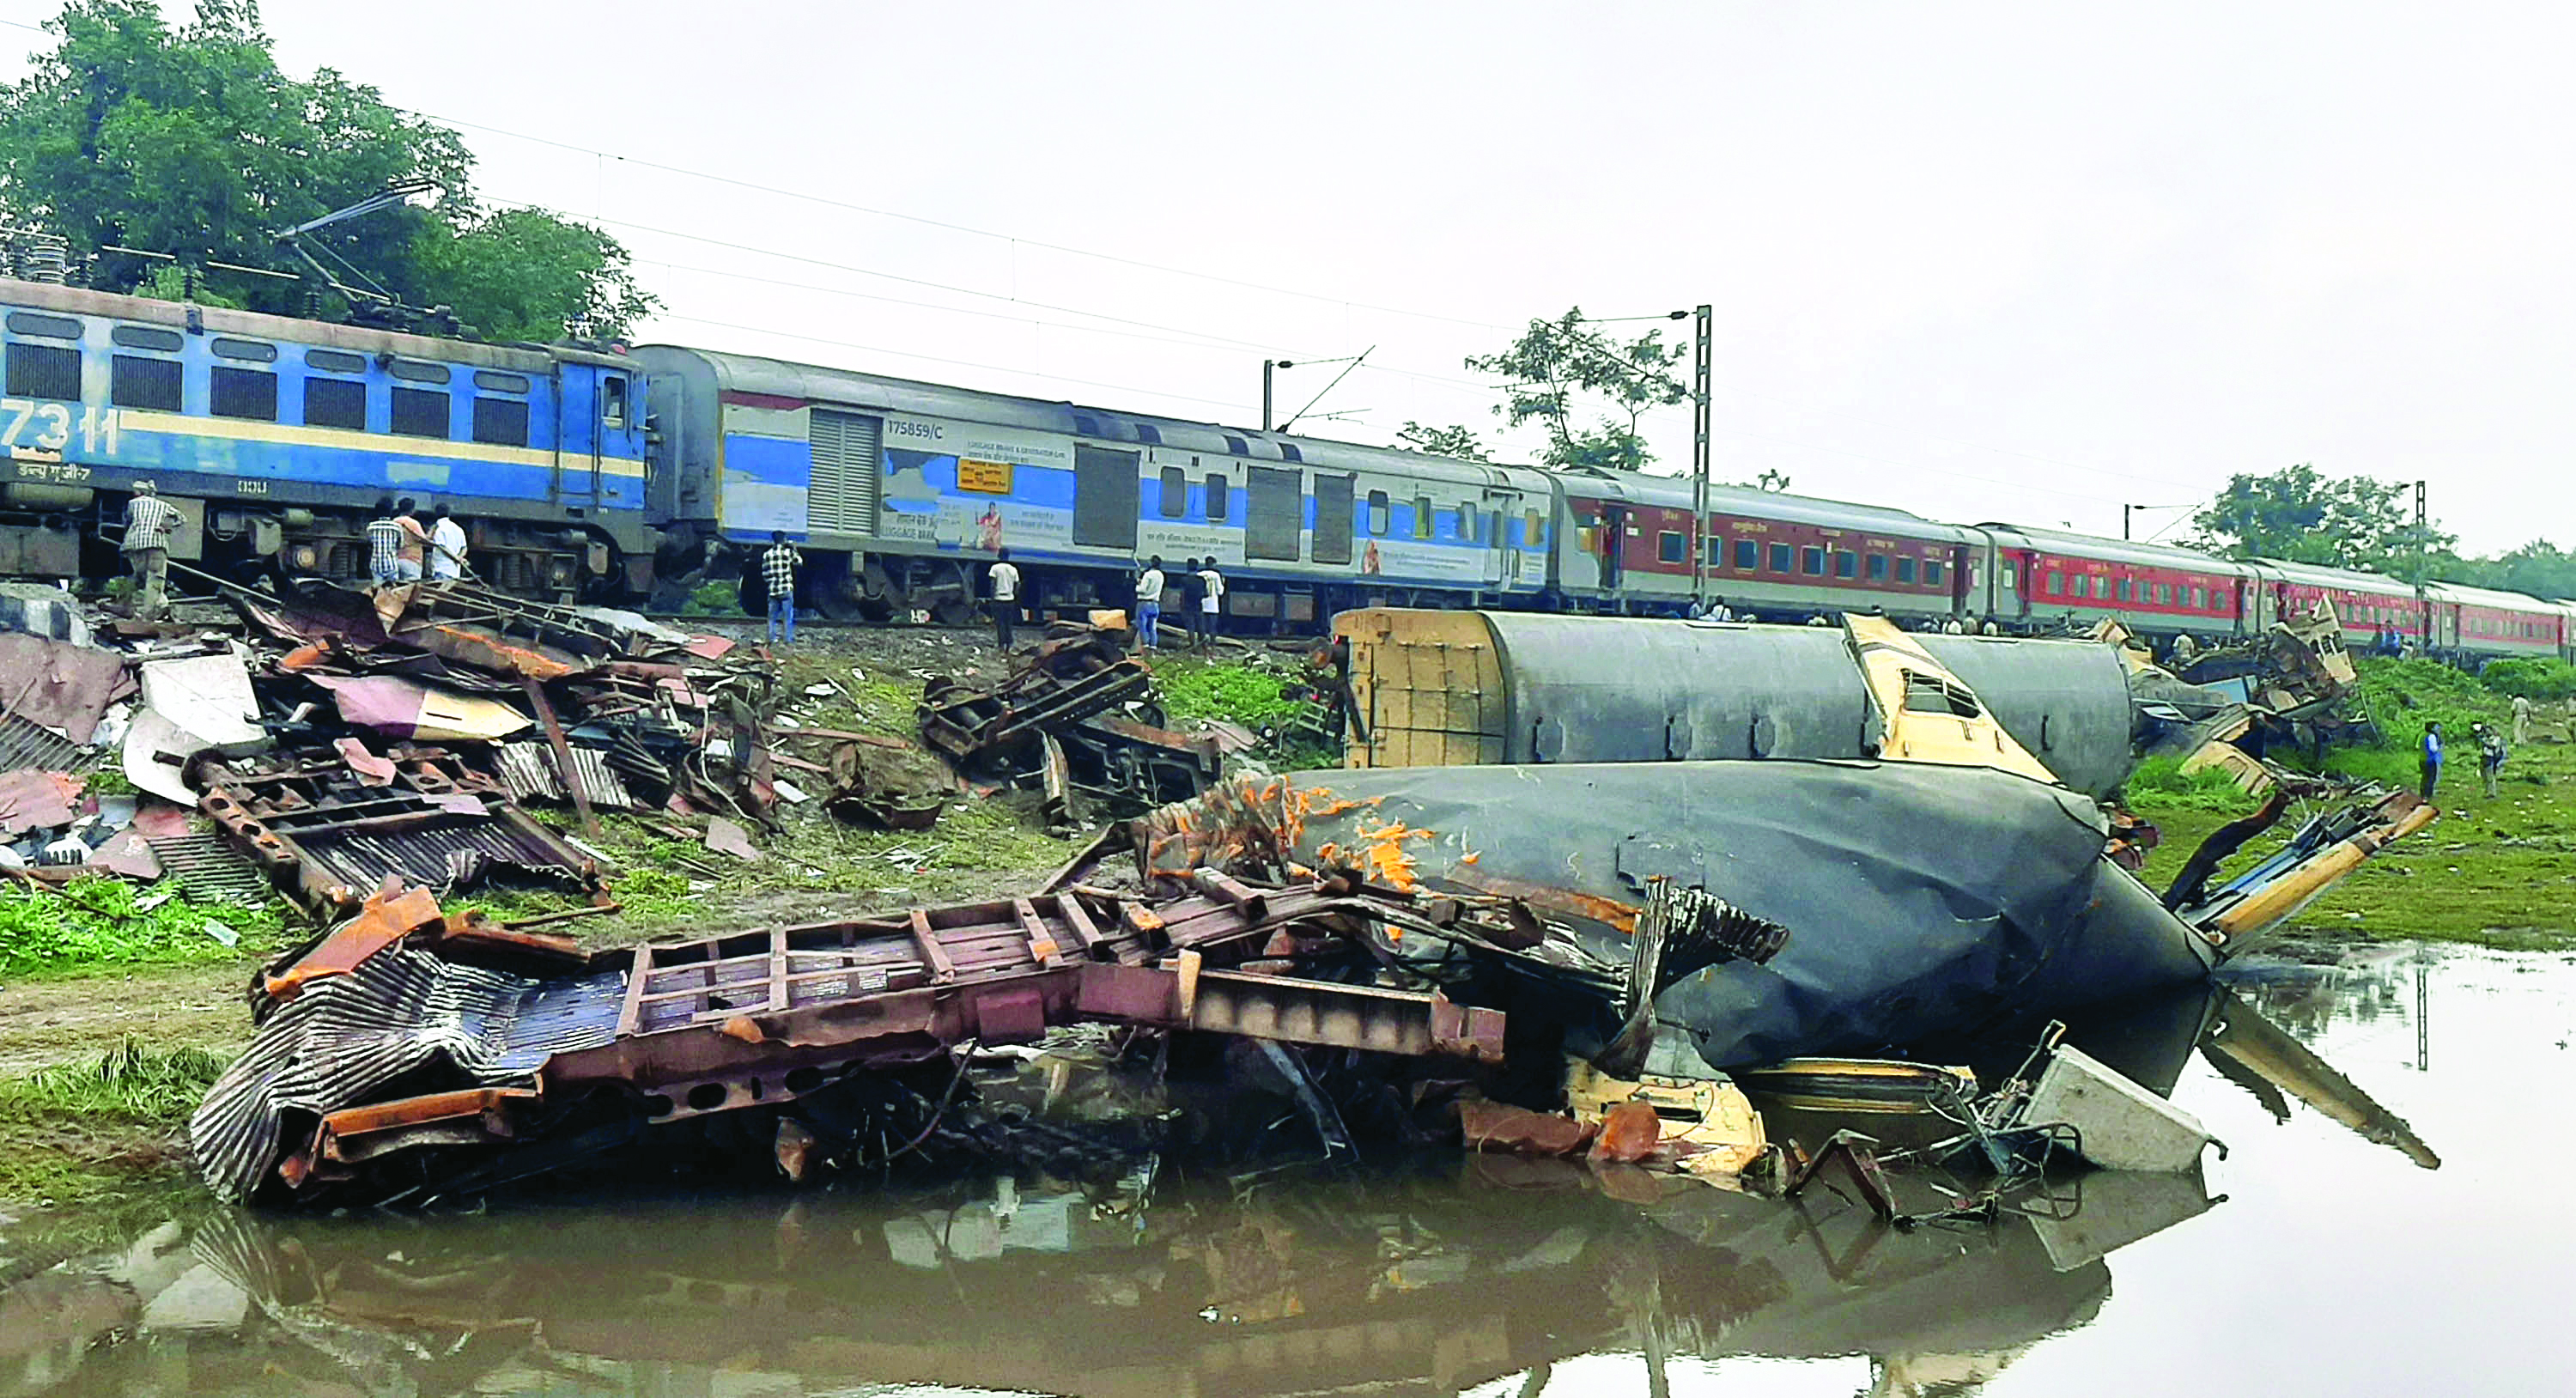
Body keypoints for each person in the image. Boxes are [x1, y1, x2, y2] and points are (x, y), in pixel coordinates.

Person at [120, 482, 179, 620]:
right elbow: (181, 518)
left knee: (140, 577)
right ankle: (149, 615)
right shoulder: (163, 505)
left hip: (136, 544)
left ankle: (128, 602)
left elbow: (128, 521)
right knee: (155, 579)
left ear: (137, 492)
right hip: (157, 544)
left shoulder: (133, 504)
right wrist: (166, 527)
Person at [761, 530, 801, 645]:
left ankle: (771, 639)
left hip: (773, 590)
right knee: (788, 616)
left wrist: (771, 583)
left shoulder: (767, 554)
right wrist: (794, 548)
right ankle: (788, 639)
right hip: (786, 589)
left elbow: (765, 574)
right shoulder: (788, 553)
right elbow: (799, 562)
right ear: (783, 540)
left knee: (771, 617)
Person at [365, 497, 407, 587]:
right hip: (391, 564)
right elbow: (401, 545)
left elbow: (370, 543)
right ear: (391, 511)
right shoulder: (396, 527)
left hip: (376, 564)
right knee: (393, 591)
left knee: (378, 591)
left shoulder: (371, 527)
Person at [987, 548, 1021, 651]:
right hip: (1010, 599)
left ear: (999, 555)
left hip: (999, 599)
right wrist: (1014, 595)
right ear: (1008, 556)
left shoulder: (995, 568)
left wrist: (992, 598)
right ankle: (1009, 644)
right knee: (1008, 623)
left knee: (1000, 623)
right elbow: (1018, 584)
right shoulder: (1013, 569)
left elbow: (992, 585)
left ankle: (1001, 644)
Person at [427, 503, 468, 582]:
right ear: (449, 514)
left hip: (442, 569)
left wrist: (456, 558)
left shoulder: (439, 528)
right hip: (455, 572)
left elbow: (443, 548)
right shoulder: (459, 529)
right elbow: (464, 548)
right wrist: (459, 557)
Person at [391, 497, 427, 581]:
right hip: (412, 560)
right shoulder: (413, 524)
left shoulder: (394, 522)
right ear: (412, 510)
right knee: (411, 589)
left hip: (396, 559)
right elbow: (423, 540)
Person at [1135, 555, 1165, 648]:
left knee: (1143, 626)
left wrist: (1137, 585)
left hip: (1144, 602)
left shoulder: (1148, 575)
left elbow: (1143, 589)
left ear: (1151, 563)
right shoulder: (1161, 575)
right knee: (1152, 627)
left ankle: (1145, 645)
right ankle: (1153, 646)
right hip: (1155, 604)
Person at [1194, 557, 1224, 649]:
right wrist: (1223, 583)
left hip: (1201, 604)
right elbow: (1220, 592)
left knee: (1201, 627)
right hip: (1213, 605)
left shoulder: (1199, 574)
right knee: (1212, 627)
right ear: (1214, 564)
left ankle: (1202, 646)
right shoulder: (1216, 575)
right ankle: (1212, 645)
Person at [2476, 722, 2506, 799]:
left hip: (2491, 758)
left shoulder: (2496, 738)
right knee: (2484, 775)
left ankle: (2492, 793)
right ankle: (2487, 791)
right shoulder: (2486, 737)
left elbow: (2492, 745)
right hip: (2484, 757)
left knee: (2490, 776)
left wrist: (2483, 739)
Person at [2419, 721, 2444, 802]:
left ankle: (2423, 794)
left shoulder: (2422, 735)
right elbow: (2433, 749)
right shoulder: (2432, 736)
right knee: (2431, 778)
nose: (2438, 729)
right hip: (2430, 760)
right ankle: (2428, 795)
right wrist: (2440, 748)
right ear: (2432, 728)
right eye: (2437, 727)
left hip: (2422, 759)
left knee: (2424, 777)